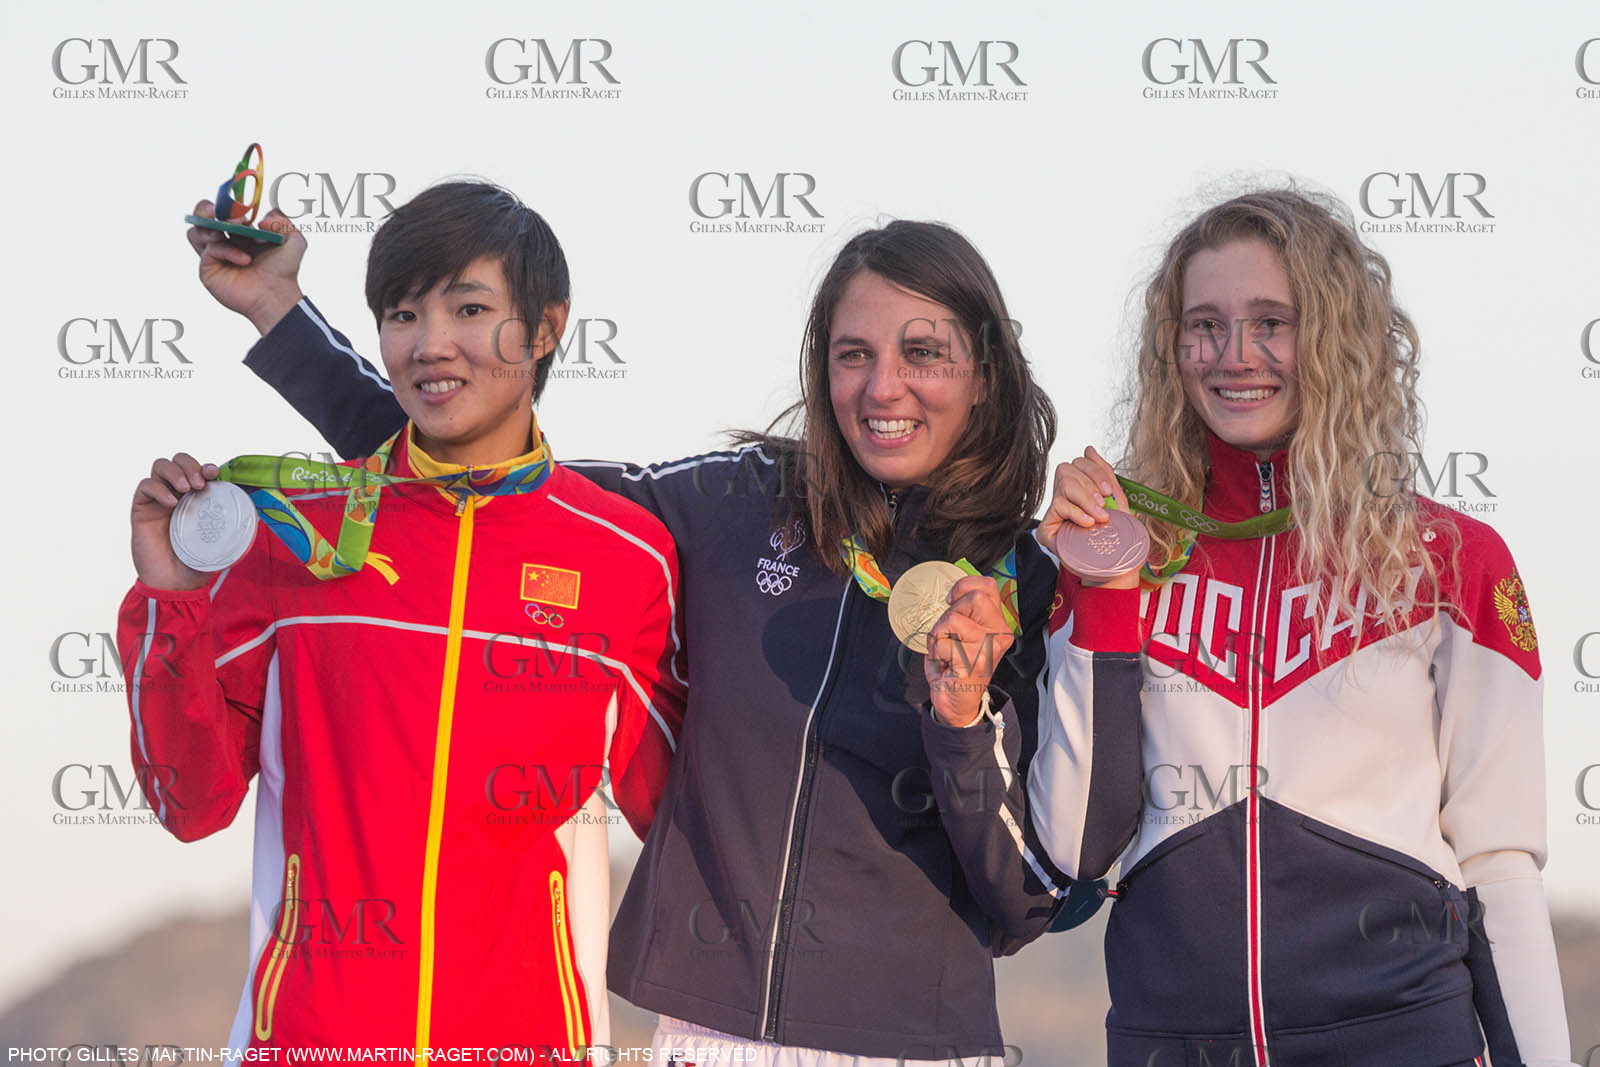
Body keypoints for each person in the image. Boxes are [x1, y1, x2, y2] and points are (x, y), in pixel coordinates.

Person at [196, 212, 1143, 1064]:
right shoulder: (737, 503)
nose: (882, 385)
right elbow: (480, 474)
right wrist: (281, 316)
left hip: (913, 1047)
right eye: (852, 353)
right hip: (705, 1037)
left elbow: (1030, 897)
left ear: (985, 373)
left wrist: (963, 716)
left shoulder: (1022, 582)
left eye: (922, 352)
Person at [120, 183, 687, 1058]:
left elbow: (698, 819)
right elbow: (188, 802)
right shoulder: (293, 535)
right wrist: (171, 601)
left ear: (546, 328)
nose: (430, 345)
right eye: (402, 314)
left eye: (470, 309)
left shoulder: (624, 559)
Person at [1031, 187, 1574, 1066]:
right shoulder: (1123, 556)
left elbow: (1500, 864)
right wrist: (1101, 589)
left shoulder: (1449, 560)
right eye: (1204, 325)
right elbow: (1074, 845)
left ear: (1333, 338)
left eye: (1271, 323)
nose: (1235, 355)